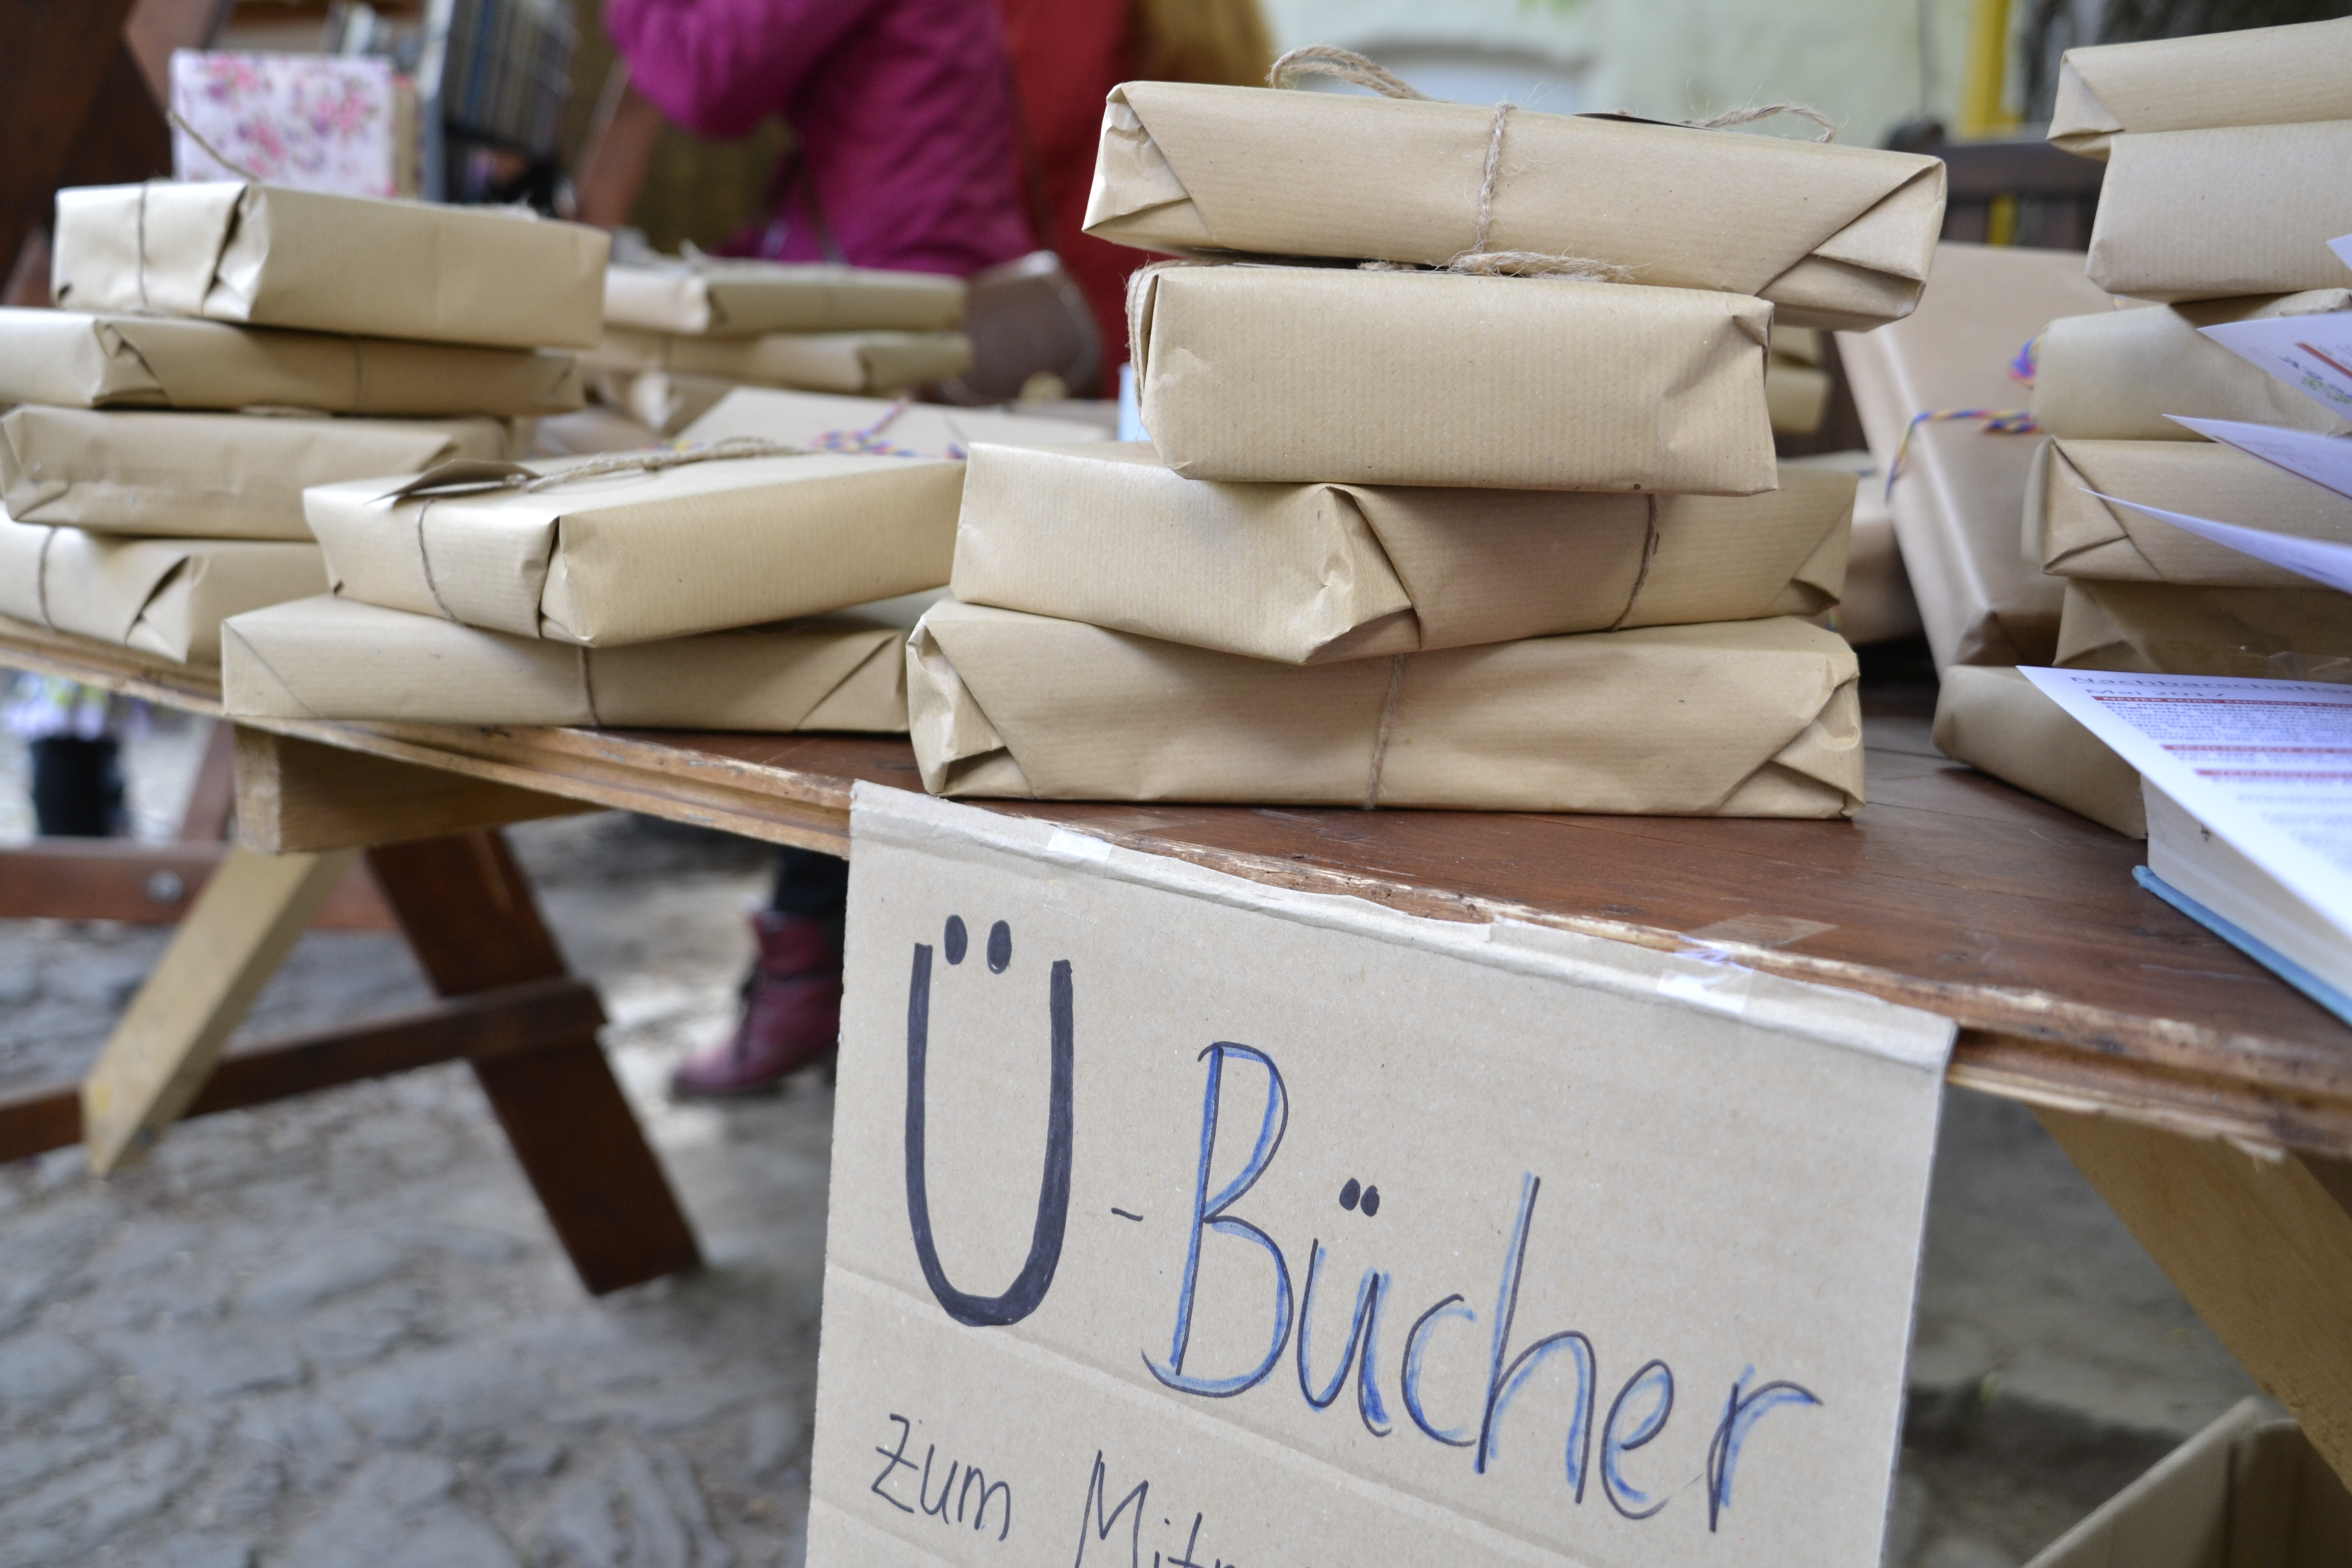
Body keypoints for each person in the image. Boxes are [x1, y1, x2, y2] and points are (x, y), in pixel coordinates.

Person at [604, 0, 1037, 1095]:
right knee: (884, 645)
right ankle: (842, 981)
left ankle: (816, 983)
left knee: (842, 639)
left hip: (895, 302)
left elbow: (708, 76)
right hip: (925, 275)